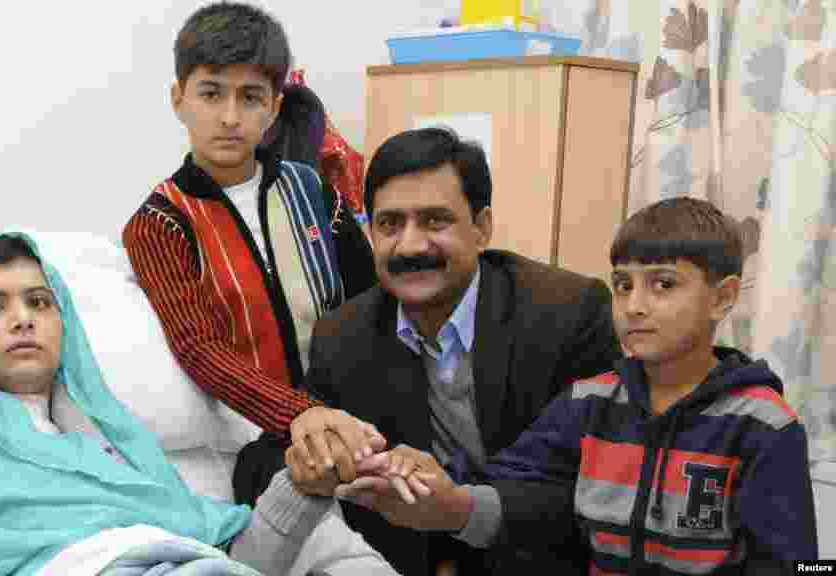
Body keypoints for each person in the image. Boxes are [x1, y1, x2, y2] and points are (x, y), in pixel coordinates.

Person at [0, 233, 398, 576]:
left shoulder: (115, 459)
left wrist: (304, 489)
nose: (23, 319)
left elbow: (238, 560)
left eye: (39, 301)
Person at [338, 197, 820, 573]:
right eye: (623, 284)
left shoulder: (763, 424)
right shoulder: (589, 403)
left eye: (664, 284)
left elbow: (798, 564)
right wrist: (440, 487)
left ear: (723, 298)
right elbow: (508, 485)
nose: (634, 305)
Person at [285, 126, 623, 574]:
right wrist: (307, 452)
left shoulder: (567, 315)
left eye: (434, 221)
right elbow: (266, 459)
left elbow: (600, 484)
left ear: (481, 229)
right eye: (390, 224)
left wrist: (461, 510)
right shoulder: (344, 336)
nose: (409, 245)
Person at [120, 1, 379, 509]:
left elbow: (370, 304)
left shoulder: (315, 192)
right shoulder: (158, 223)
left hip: (353, 418)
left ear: (275, 107)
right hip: (260, 444)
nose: (230, 117)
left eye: (251, 96)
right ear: (179, 99)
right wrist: (297, 414)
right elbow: (200, 350)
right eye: (211, 93)